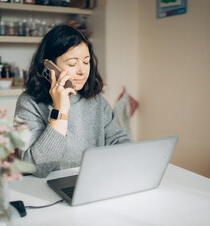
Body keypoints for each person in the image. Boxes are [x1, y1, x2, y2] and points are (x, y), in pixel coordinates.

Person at [15, 25, 131, 178]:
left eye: (86, 61)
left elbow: (117, 140)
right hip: (48, 188)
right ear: (49, 66)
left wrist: (132, 157)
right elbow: (36, 168)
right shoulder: (29, 103)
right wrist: (60, 111)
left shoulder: (96, 100)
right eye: (72, 63)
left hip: (94, 180)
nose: (82, 71)